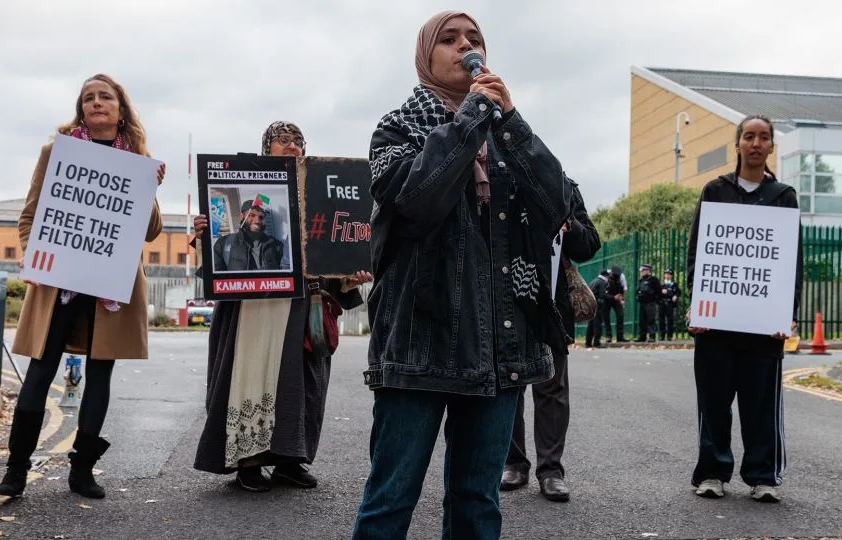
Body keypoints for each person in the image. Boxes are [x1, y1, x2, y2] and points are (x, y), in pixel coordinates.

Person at [353, 12, 572, 538]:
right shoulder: (396, 128)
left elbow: (558, 204)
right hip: (419, 345)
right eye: (449, 40)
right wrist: (474, 112)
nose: (465, 48)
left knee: (477, 502)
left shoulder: (506, 133)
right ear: (425, 55)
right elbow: (417, 198)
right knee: (391, 498)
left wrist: (513, 122)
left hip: (498, 352)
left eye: (474, 39)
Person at [0, 74, 166, 499]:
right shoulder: (58, 152)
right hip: (59, 283)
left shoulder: (139, 159)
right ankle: (16, 469)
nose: (96, 102)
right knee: (41, 368)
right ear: (81, 108)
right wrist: (34, 255)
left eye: (104, 96)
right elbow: (29, 216)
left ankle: (82, 470)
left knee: (99, 372)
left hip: (111, 285)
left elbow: (150, 232)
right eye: (88, 98)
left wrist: (152, 188)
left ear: (121, 109)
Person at [193, 121, 371, 492]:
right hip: (252, 310)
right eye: (283, 140)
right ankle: (248, 462)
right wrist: (204, 233)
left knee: (302, 385)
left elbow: (334, 247)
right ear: (266, 149)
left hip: (303, 306)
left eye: (298, 141)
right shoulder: (247, 204)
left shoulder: (322, 191)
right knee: (251, 379)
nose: (292, 146)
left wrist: (351, 271)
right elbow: (218, 260)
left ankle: (290, 461)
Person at [687, 114, 802, 503]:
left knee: (761, 406)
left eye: (764, 137)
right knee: (714, 404)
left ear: (771, 146)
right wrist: (696, 308)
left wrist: (787, 313)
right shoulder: (714, 191)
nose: (756, 143)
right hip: (716, 326)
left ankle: (762, 476)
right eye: (749, 136)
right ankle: (712, 473)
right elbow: (698, 254)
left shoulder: (784, 196)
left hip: (763, 327)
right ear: (738, 143)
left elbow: (791, 262)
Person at [502, 186, 599, 502]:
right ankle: (514, 464)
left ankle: (551, 471)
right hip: (506, 301)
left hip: (551, 305)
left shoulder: (562, 186)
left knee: (552, 389)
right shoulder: (500, 178)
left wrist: (570, 223)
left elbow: (588, 246)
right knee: (509, 387)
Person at [212, 199, 284, 271]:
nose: (257, 221)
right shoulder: (224, 243)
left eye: (261, 217)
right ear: (241, 216)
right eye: (251, 215)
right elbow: (210, 276)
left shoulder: (276, 245)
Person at [634, 263, 660, 342]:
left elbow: (659, 291)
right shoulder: (641, 280)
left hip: (650, 303)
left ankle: (652, 336)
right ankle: (642, 337)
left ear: (648, 270)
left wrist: (655, 298)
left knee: (650, 320)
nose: (641, 272)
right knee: (642, 320)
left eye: (643, 270)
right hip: (642, 303)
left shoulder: (653, 279)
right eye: (641, 271)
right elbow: (637, 290)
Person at [585, 270, 609, 348]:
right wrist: (612, 297)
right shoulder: (602, 282)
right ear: (606, 276)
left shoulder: (593, 281)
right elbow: (603, 295)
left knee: (591, 324)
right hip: (598, 306)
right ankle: (596, 342)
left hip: (590, 305)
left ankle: (588, 342)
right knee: (597, 324)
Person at [603, 265, 628, 342]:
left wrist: (622, 299)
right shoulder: (605, 275)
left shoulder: (621, 276)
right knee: (606, 317)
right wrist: (612, 297)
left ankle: (620, 337)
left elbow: (624, 289)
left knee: (620, 316)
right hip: (607, 298)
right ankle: (608, 336)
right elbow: (603, 291)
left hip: (618, 298)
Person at [659, 268, 679, 340]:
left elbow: (678, 292)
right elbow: (657, 292)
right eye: (666, 274)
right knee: (661, 320)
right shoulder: (661, 284)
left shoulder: (673, 284)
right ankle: (662, 335)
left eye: (669, 274)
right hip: (662, 303)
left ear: (671, 276)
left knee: (670, 319)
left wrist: (675, 296)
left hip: (670, 303)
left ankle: (669, 336)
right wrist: (661, 291)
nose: (667, 275)